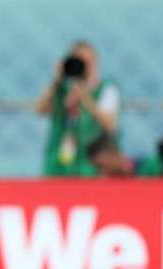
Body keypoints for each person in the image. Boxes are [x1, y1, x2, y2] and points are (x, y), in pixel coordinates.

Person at [35, 41, 120, 176]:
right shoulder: (60, 88)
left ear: (95, 63)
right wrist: (56, 80)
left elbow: (110, 124)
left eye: (86, 62)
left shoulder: (106, 89)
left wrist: (86, 98)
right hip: (59, 163)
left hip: (91, 163)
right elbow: (39, 110)